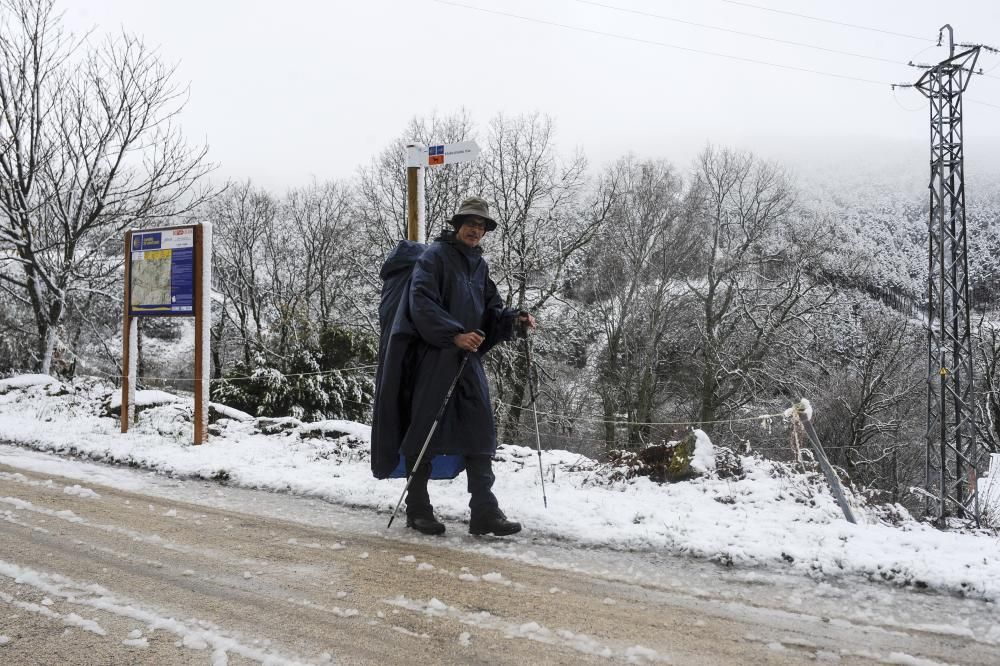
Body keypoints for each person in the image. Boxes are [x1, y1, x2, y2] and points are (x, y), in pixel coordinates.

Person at [371, 196, 536, 536]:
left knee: (480, 433)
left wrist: (513, 321)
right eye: (470, 224)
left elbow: (491, 310)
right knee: (424, 431)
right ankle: (418, 509)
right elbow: (421, 301)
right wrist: (453, 335)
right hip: (433, 357)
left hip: (468, 358)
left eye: (481, 226)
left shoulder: (479, 265)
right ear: (457, 224)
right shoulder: (434, 257)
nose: (475, 230)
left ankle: (484, 513)